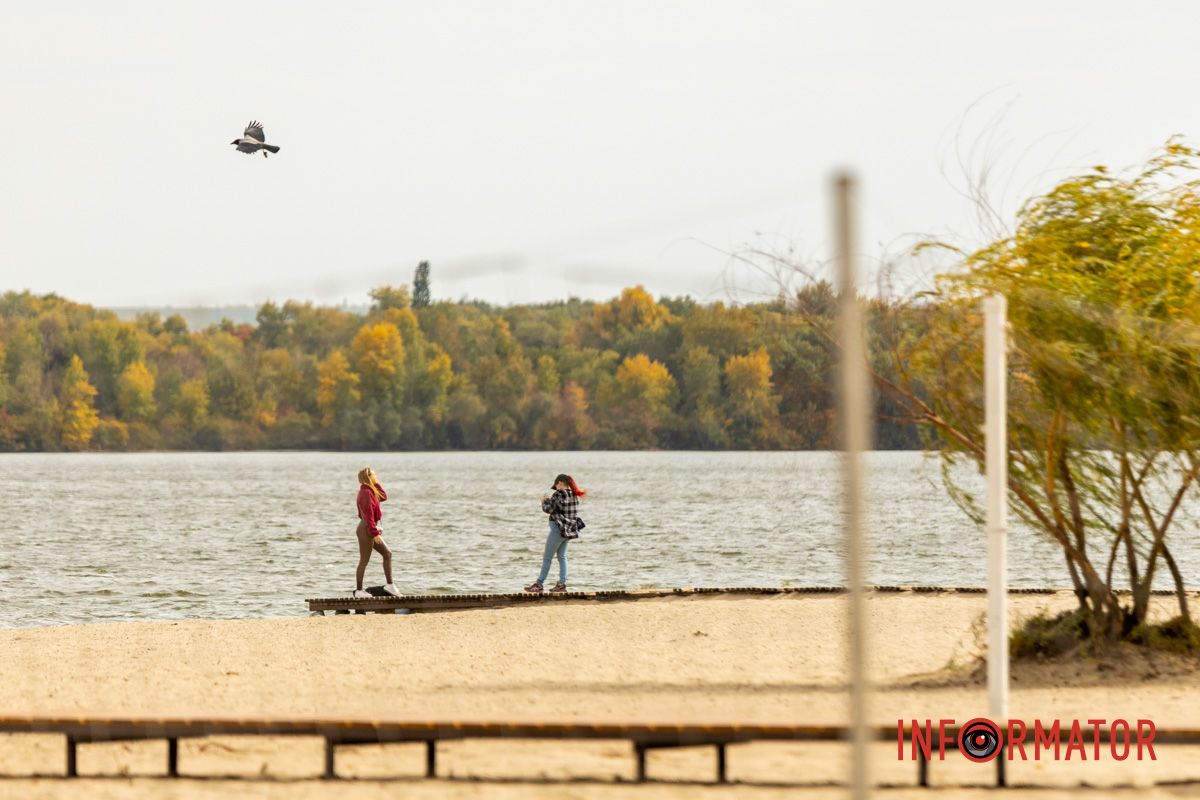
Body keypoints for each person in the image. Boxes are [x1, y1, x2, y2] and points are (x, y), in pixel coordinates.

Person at [525, 473, 586, 594]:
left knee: (547, 558)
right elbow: (563, 510)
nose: (556, 487)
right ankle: (562, 584)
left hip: (557, 530)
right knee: (562, 557)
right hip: (568, 530)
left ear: (560, 483)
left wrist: (544, 501)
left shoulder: (559, 494)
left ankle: (539, 584)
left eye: (556, 484)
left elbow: (549, 509)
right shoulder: (574, 495)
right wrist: (549, 501)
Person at [354, 467, 401, 598]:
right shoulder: (365, 493)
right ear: (369, 477)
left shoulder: (370, 491)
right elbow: (368, 515)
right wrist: (374, 532)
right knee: (364, 560)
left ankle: (390, 586)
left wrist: (375, 483)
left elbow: (384, 496)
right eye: (374, 475)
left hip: (369, 528)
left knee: (387, 554)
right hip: (366, 529)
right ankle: (359, 591)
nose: (376, 477)